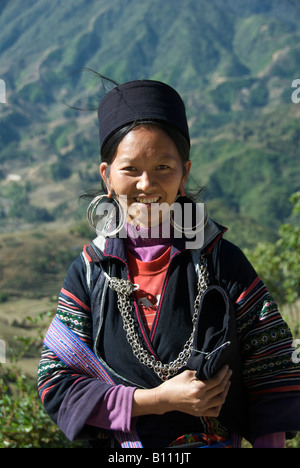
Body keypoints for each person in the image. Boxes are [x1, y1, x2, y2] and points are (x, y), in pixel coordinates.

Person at [37, 78, 300, 448]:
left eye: (163, 166)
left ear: (184, 172)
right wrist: (157, 400)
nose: (147, 184)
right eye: (130, 169)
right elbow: (55, 382)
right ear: (107, 176)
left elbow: (270, 369)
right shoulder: (90, 272)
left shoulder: (222, 261)